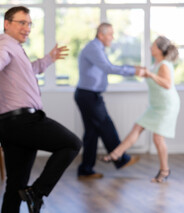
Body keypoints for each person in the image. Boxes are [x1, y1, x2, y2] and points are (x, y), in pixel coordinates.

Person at [0, 6, 82, 213]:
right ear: (7, 23)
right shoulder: (5, 45)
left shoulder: (16, 49)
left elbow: (28, 70)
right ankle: (36, 194)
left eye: (29, 24)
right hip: (23, 122)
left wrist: (49, 59)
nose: (26, 28)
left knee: (14, 187)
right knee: (71, 144)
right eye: (21, 23)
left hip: (9, 124)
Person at [104, 36, 180, 183]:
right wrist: (140, 70)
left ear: (159, 49)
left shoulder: (164, 64)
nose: (150, 47)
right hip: (155, 106)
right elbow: (149, 74)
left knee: (158, 138)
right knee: (137, 127)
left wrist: (149, 74)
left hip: (166, 106)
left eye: (153, 45)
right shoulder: (156, 63)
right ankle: (116, 154)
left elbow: (167, 84)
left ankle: (164, 170)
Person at [74, 22, 143, 180]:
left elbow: (107, 67)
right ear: (101, 35)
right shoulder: (94, 48)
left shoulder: (98, 48)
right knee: (106, 124)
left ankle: (85, 169)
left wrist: (132, 68)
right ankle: (120, 158)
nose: (112, 37)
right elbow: (109, 68)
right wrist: (134, 70)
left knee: (91, 133)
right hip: (89, 96)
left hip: (88, 94)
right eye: (110, 34)